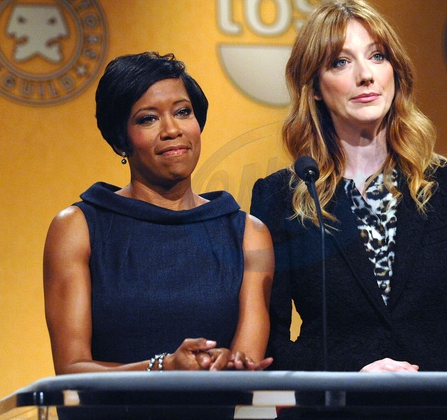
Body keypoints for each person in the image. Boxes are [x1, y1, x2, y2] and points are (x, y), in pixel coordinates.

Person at [250, 0, 447, 373]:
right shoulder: (282, 197)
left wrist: (424, 379)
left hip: (433, 402)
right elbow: (267, 341)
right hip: (336, 403)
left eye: (377, 56)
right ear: (315, 87)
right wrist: (353, 376)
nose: (366, 75)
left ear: (395, 71)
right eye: (340, 62)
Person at [44, 51, 274, 374]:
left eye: (182, 112)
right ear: (120, 140)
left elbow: (245, 364)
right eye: (148, 119)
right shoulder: (78, 228)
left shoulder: (248, 233)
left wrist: (225, 364)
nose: (172, 129)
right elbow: (71, 369)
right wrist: (164, 368)